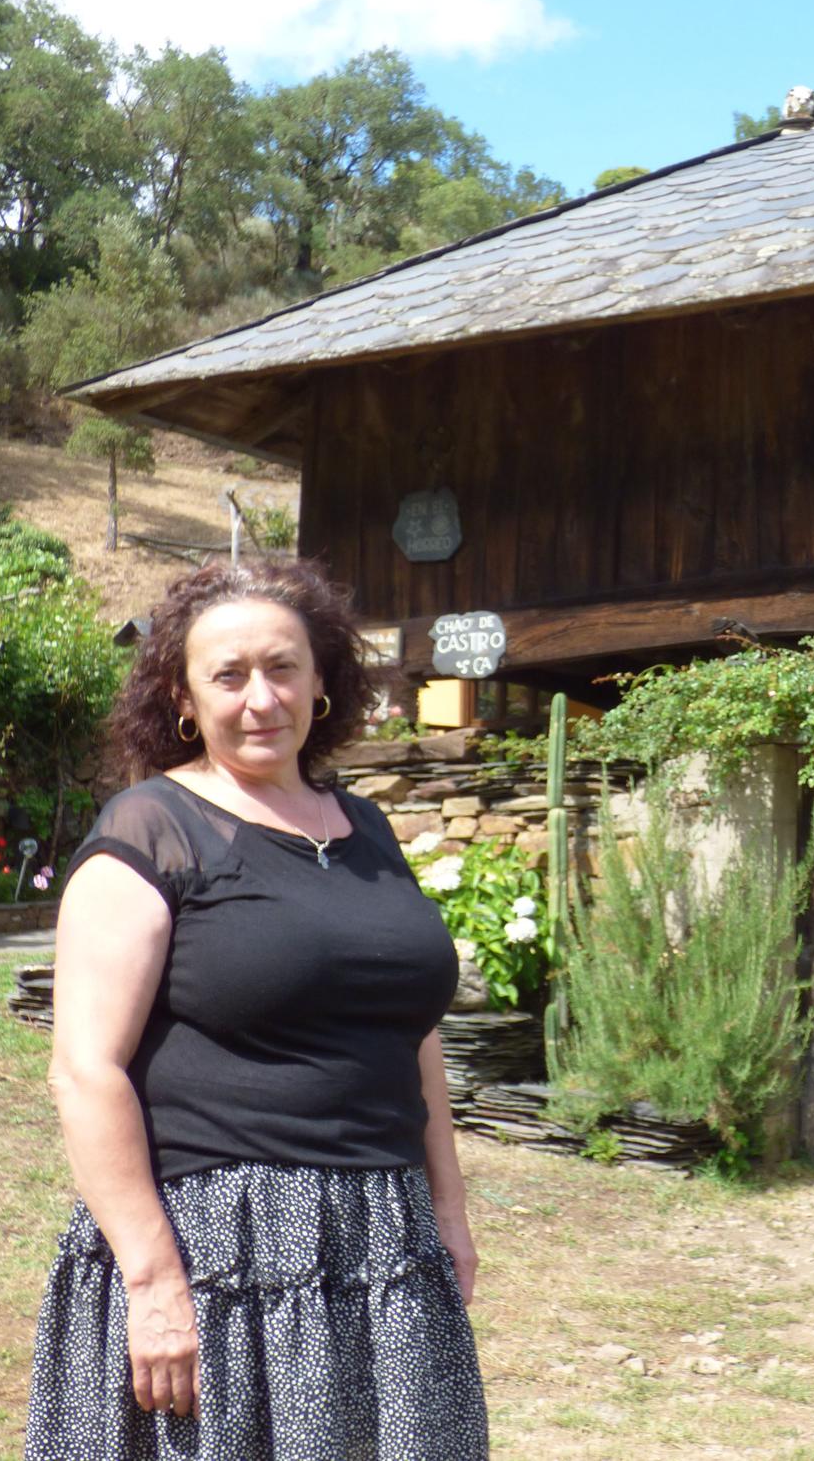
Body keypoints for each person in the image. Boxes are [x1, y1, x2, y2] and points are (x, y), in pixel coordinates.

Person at [24, 560, 487, 1460]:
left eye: (283, 669)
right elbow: (86, 1069)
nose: (260, 698)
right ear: (184, 699)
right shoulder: (151, 829)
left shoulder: (368, 831)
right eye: (227, 677)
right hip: (220, 1250)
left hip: (383, 1241)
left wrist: (448, 1209)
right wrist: (154, 1280)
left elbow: (413, 1033)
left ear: (322, 684)